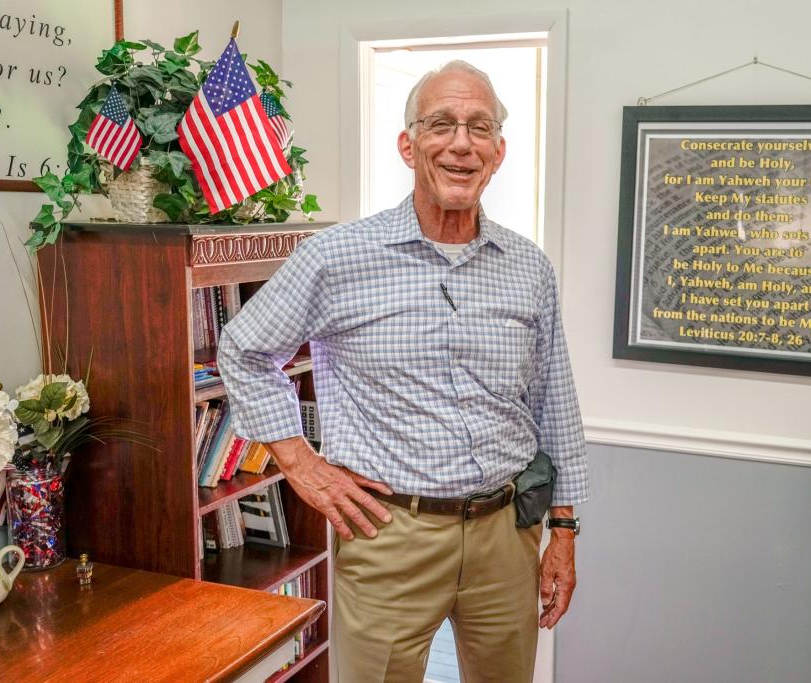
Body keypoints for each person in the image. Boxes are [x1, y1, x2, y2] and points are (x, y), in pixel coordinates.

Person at [218, 59, 589, 683]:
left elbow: (555, 400)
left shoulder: (529, 267)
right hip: (390, 535)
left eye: (479, 127)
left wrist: (566, 531)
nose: (461, 144)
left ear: (498, 151)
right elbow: (244, 350)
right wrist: (300, 463)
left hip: (508, 533)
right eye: (440, 124)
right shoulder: (336, 257)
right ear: (407, 143)